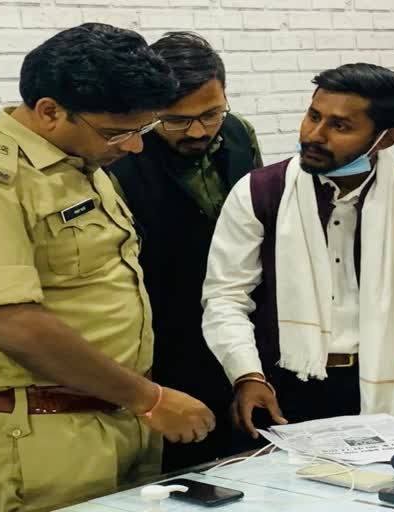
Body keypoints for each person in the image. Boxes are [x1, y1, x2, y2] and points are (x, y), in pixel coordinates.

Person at [0, 23, 215, 512]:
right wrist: (151, 399)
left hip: (124, 417)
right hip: (49, 438)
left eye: (143, 130)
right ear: (50, 110)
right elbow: (15, 325)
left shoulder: (80, 165)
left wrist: (142, 403)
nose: (135, 147)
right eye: (120, 132)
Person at [201, 63, 394, 439]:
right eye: (313, 116)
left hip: (393, 382)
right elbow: (225, 296)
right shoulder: (257, 192)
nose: (314, 135)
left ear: (386, 138)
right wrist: (246, 372)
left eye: (340, 126)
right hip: (285, 384)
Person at [106, 32, 263, 470]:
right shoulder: (119, 158)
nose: (197, 130)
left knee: (248, 459)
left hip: (238, 326)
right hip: (164, 337)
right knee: (181, 467)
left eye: (211, 113)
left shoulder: (239, 134)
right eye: (175, 120)